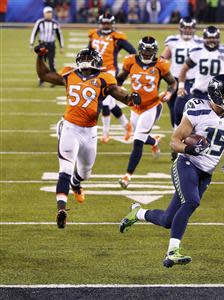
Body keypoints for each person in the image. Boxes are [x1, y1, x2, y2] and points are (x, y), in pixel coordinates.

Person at [119, 74, 224, 268]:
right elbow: (175, 141)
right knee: (192, 202)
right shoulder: (198, 110)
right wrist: (190, 149)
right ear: (215, 93)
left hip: (206, 173)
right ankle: (172, 252)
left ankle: (137, 214)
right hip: (187, 163)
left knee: (169, 220)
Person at [34, 46, 140, 229]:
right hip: (70, 128)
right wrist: (130, 99)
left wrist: (131, 99)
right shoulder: (79, 75)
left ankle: (76, 184)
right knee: (65, 169)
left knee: (84, 173)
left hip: (89, 132)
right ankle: (61, 209)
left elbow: (44, 75)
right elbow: (120, 94)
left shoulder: (92, 77)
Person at [117, 37, 177, 189]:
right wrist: (121, 90)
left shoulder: (160, 65)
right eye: (146, 49)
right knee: (140, 136)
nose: (148, 53)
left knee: (137, 141)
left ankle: (127, 176)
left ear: (155, 51)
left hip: (152, 106)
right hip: (135, 107)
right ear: (140, 48)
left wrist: (169, 94)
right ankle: (154, 141)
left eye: (151, 50)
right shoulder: (130, 61)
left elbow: (172, 83)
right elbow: (118, 81)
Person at [88, 13, 136, 143]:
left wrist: (129, 64)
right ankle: (127, 126)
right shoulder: (93, 35)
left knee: (104, 103)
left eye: (108, 23)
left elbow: (133, 51)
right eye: (104, 23)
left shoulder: (116, 37)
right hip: (96, 71)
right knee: (111, 103)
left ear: (112, 23)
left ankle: (105, 133)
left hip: (110, 71)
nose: (106, 25)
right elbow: (88, 52)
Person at [161, 18, 203, 128]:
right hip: (173, 80)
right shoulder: (173, 40)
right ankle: (176, 134)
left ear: (194, 29)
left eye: (190, 28)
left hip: (190, 80)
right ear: (181, 28)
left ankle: (180, 135)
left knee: (179, 108)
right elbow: (163, 58)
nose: (188, 30)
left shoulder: (200, 43)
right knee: (172, 109)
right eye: (185, 28)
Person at [178, 26, 224, 102]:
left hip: (217, 93)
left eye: (214, 38)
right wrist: (181, 87)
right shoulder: (198, 51)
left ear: (218, 38)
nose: (211, 40)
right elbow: (184, 69)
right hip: (198, 92)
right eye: (209, 38)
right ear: (204, 38)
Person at [30, 6, 64, 87]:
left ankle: (54, 81)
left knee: (52, 64)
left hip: (51, 46)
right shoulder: (40, 22)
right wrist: (31, 44)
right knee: (42, 64)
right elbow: (34, 33)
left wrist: (61, 46)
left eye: (50, 13)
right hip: (42, 45)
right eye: (47, 13)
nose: (49, 14)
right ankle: (41, 81)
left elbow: (59, 35)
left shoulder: (55, 23)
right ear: (44, 14)